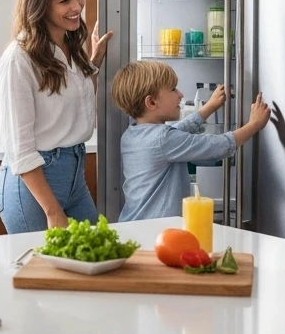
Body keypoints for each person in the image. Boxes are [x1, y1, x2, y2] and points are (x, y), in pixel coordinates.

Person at [0, 0, 112, 234]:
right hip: (35, 186)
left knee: (93, 264)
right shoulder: (19, 59)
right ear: (40, 5)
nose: (76, 7)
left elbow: (73, 102)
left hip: (75, 175)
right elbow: (20, 150)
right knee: (43, 274)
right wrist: (52, 209)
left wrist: (91, 65)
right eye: (64, 1)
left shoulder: (70, 46)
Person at [111, 62, 271, 221]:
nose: (180, 94)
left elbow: (177, 131)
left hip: (133, 224)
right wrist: (254, 125)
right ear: (151, 102)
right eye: (173, 89)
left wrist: (209, 107)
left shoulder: (131, 134)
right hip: (157, 230)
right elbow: (218, 146)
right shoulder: (164, 139)